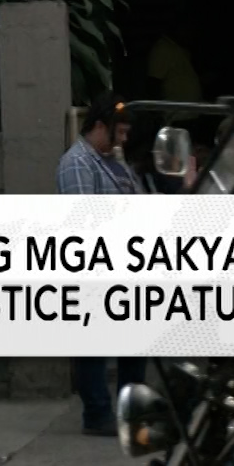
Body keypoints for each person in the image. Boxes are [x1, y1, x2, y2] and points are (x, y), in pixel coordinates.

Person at [57, 92, 145, 435]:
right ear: (98, 126)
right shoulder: (78, 163)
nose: (122, 140)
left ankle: (130, 409)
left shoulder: (115, 163)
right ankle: (97, 414)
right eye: (118, 132)